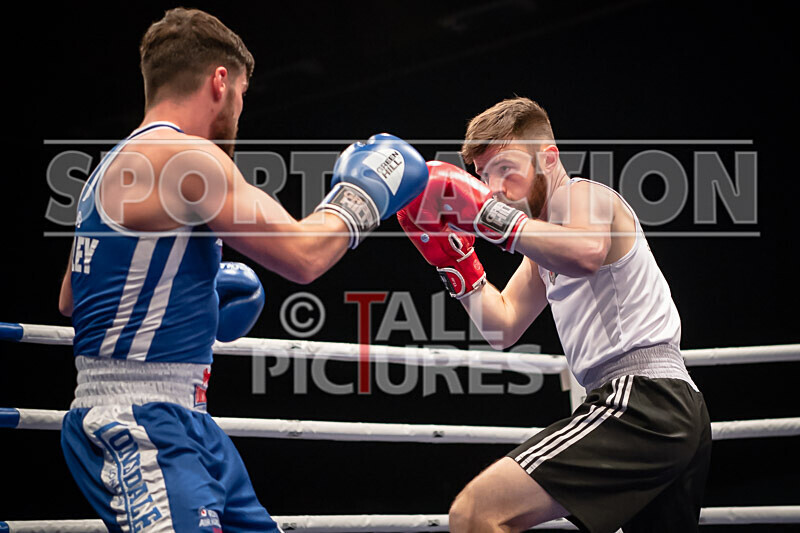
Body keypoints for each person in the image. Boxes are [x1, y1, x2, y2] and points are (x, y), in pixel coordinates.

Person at [57, 8, 428, 532]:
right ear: (220, 81)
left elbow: (73, 300)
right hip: (140, 422)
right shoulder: (186, 158)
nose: (239, 109)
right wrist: (364, 194)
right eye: (243, 96)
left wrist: (198, 295)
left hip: (182, 418)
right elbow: (304, 256)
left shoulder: (104, 172)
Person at [397, 97, 711, 533]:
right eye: (484, 179)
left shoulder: (582, 196)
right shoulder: (543, 254)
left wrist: (490, 218)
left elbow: (585, 252)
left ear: (548, 158)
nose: (496, 189)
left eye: (506, 169)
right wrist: (454, 262)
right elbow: (501, 326)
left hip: (641, 402)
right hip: (666, 410)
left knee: (475, 513)